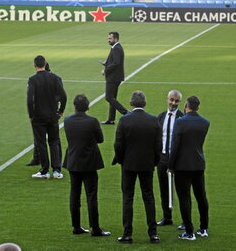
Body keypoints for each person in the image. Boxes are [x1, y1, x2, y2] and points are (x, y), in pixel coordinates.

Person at [112, 91, 161, 244]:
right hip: (146, 164)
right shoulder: (153, 120)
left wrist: (121, 160)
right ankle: (153, 234)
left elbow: (118, 144)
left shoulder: (125, 120)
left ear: (131, 103)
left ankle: (127, 234)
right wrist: (154, 161)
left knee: (128, 198)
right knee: (149, 197)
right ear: (144, 103)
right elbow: (158, 146)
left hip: (129, 164)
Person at [63, 94, 111, 237]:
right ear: (87, 106)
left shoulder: (67, 121)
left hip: (73, 161)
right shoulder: (92, 121)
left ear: (75, 106)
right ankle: (95, 228)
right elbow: (100, 139)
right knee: (91, 196)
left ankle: (76, 226)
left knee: (74, 195)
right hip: (89, 162)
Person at [168, 95, 210, 241]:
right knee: (201, 196)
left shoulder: (180, 122)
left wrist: (170, 165)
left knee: (184, 198)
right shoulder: (205, 123)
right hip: (198, 164)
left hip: (182, 166)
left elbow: (175, 145)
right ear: (198, 107)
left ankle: (189, 231)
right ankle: (204, 228)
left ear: (186, 106)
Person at [27, 55, 67, 179]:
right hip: (52, 115)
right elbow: (63, 96)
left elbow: (30, 100)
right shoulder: (54, 78)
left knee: (41, 143)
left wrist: (31, 115)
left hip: (38, 117)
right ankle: (56, 171)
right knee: (54, 142)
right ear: (45, 64)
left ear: (35, 65)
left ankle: (44, 171)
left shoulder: (32, 80)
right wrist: (60, 111)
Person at [156, 90, 184, 227]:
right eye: (171, 100)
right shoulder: (161, 117)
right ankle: (167, 217)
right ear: (167, 99)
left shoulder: (182, 118)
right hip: (162, 157)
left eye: (176, 101)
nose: (173, 103)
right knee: (163, 188)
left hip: (178, 159)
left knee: (182, 189)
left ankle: (185, 220)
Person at [101, 31, 127, 125]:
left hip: (113, 77)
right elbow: (114, 61)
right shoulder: (116, 47)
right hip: (116, 77)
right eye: (108, 38)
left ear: (115, 39)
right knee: (113, 98)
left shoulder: (116, 48)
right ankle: (111, 119)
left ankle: (126, 113)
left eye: (110, 38)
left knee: (109, 97)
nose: (108, 40)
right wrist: (106, 63)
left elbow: (116, 63)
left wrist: (106, 70)